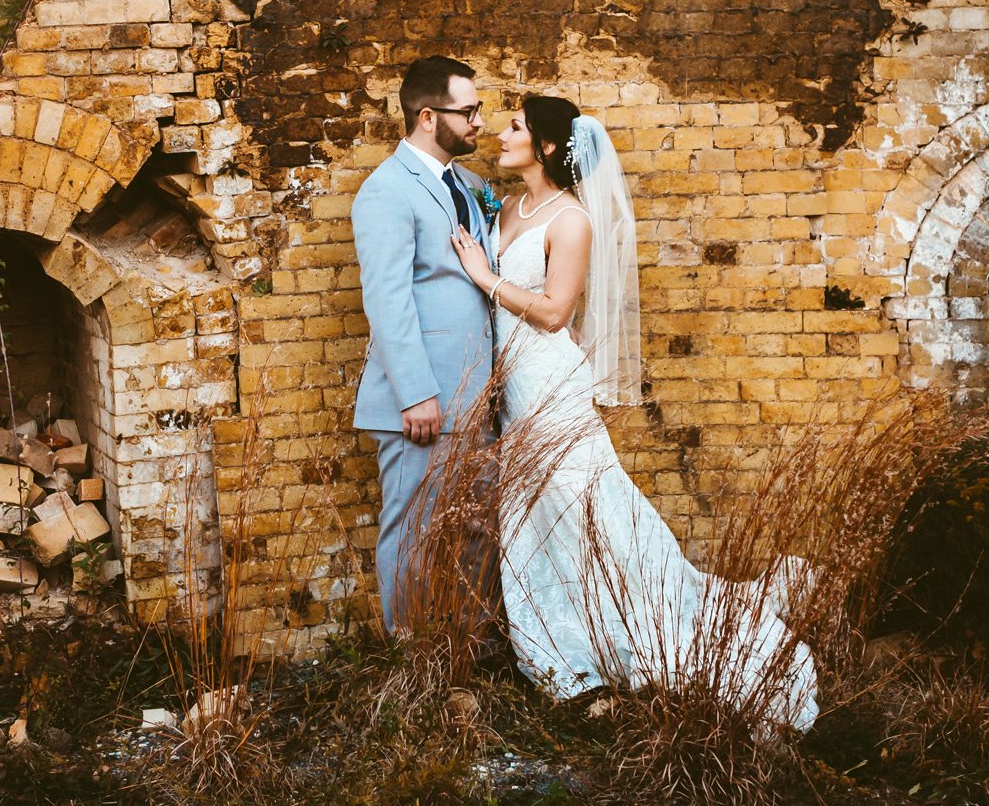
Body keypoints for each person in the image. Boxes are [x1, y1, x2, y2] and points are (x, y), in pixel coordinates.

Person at [449, 94, 819, 732]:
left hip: (549, 381)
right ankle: (564, 649)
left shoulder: (571, 220)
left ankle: (628, 631)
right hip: (510, 386)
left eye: (514, 127)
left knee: (583, 508)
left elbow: (555, 311)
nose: (501, 135)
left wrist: (484, 276)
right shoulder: (505, 206)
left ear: (544, 147)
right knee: (535, 518)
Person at [350, 55, 497, 631]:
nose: (480, 122)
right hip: (424, 402)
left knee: (480, 528)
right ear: (428, 117)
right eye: (470, 112)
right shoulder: (386, 191)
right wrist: (414, 394)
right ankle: (409, 658)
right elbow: (387, 299)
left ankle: (465, 647)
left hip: (478, 393)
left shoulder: (469, 184)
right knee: (412, 530)